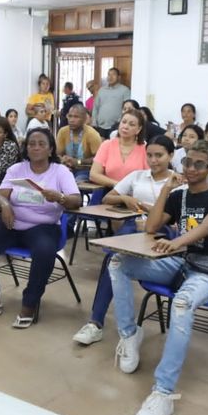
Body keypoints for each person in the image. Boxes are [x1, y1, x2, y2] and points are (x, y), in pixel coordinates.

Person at [111, 140, 208, 415]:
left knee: (181, 303)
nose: (191, 169)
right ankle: (130, 335)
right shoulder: (179, 195)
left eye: (198, 164)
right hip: (181, 261)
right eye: (187, 163)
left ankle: (163, 392)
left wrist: (175, 243)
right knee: (118, 262)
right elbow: (152, 227)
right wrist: (167, 189)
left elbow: (206, 227)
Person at [73, 136, 179, 346]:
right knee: (112, 257)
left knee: (117, 260)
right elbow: (107, 198)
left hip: (164, 232)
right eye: (150, 155)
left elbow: (181, 220)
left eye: (159, 155)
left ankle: (109, 324)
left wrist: (151, 213)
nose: (154, 160)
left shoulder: (179, 182)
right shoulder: (137, 176)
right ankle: (95, 323)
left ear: (171, 155)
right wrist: (125, 199)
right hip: (134, 227)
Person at [0, 128, 81, 328]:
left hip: (44, 226)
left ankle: (29, 304)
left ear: (50, 150)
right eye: (32, 144)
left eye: (41, 144)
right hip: (12, 224)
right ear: (26, 148)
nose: (36, 147)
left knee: (44, 252)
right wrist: (4, 205)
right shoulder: (17, 169)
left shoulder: (60, 171)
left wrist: (60, 197)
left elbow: (76, 200)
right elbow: (1, 194)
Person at [89, 109, 148, 189]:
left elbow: (149, 177)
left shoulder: (145, 149)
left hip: (136, 193)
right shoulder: (107, 145)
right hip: (109, 192)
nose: (126, 126)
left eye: (132, 125)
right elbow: (94, 175)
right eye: (123, 122)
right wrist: (118, 185)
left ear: (138, 129)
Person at [56, 104, 102, 181]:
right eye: (70, 116)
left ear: (84, 119)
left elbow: (98, 159)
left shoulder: (92, 134)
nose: (71, 120)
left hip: (85, 170)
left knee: (76, 182)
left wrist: (78, 162)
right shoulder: (62, 132)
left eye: (76, 117)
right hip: (66, 168)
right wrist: (63, 160)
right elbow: (57, 154)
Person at [92, 67, 130, 139]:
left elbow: (128, 108)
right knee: (101, 147)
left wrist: (120, 121)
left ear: (119, 77)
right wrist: (94, 121)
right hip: (100, 126)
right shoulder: (102, 90)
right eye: (109, 75)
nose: (110, 77)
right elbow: (96, 107)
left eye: (113, 75)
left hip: (116, 126)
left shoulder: (125, 90)